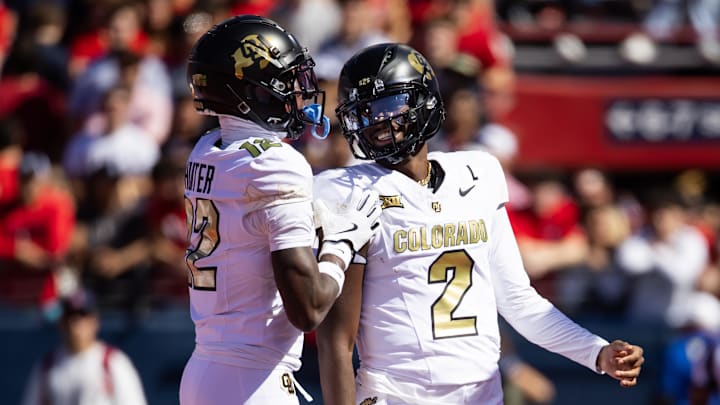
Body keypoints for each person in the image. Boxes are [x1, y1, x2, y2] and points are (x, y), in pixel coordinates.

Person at [313, 43, 645, 405]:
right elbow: (336, 340)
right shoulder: (342, 190)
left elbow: (518, 301)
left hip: (482, 394)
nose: (376, 121)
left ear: (425, 102)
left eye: (388, 105)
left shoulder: (477, 173)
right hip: (396, 395)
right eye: (363, 112)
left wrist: (596, 352)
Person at [178, 15, 382, 405]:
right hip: (252, 379)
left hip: (206, 368)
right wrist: (341, 244)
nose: (297, 92)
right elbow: (308, 309)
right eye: (285, 82)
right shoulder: (275, 163)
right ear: (250, 92)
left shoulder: (207, 149)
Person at [21, 288, 148, 405]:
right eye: (70, 317)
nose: (76, 325)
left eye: (83, 316)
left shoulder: (113, 362)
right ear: (61, 323)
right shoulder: (47, 366)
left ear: (95, 321)